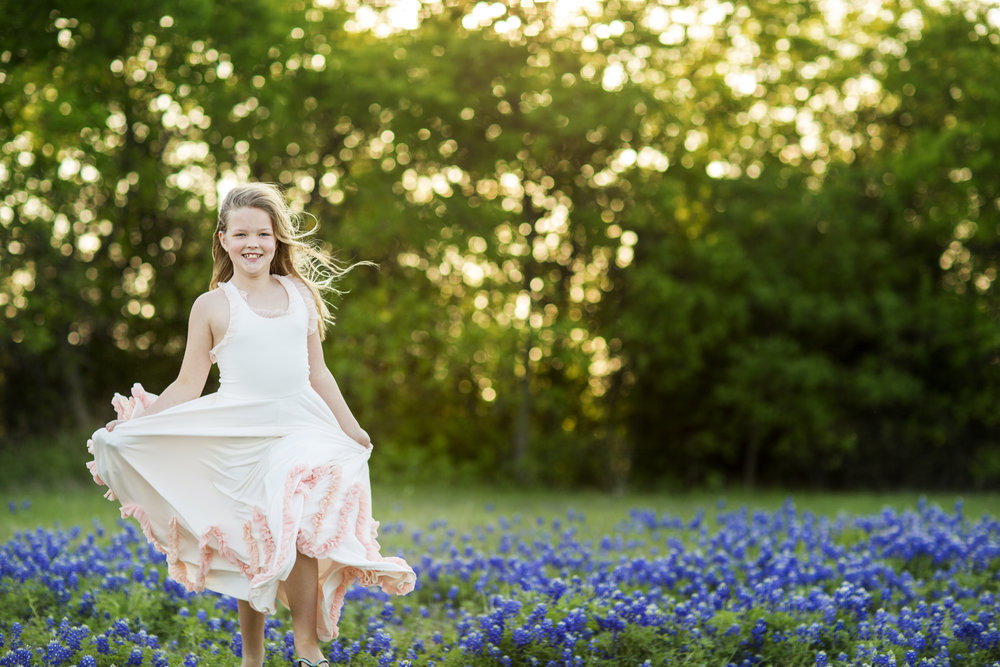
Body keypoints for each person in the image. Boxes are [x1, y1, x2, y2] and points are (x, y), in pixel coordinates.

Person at [87, 183, 415, 667]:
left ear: (278, 239)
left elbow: (318, 372)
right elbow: (187, 386)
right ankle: (253, 657)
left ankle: (307, 648)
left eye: (263, 233)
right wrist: (137, 423)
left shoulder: (298, 293)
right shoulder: (213, 305)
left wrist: (351, 427)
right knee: (253, 539)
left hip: (302, 425)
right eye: (241, 234)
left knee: (299, 523)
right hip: (239, 432)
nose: (253, 243)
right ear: (223, 240)